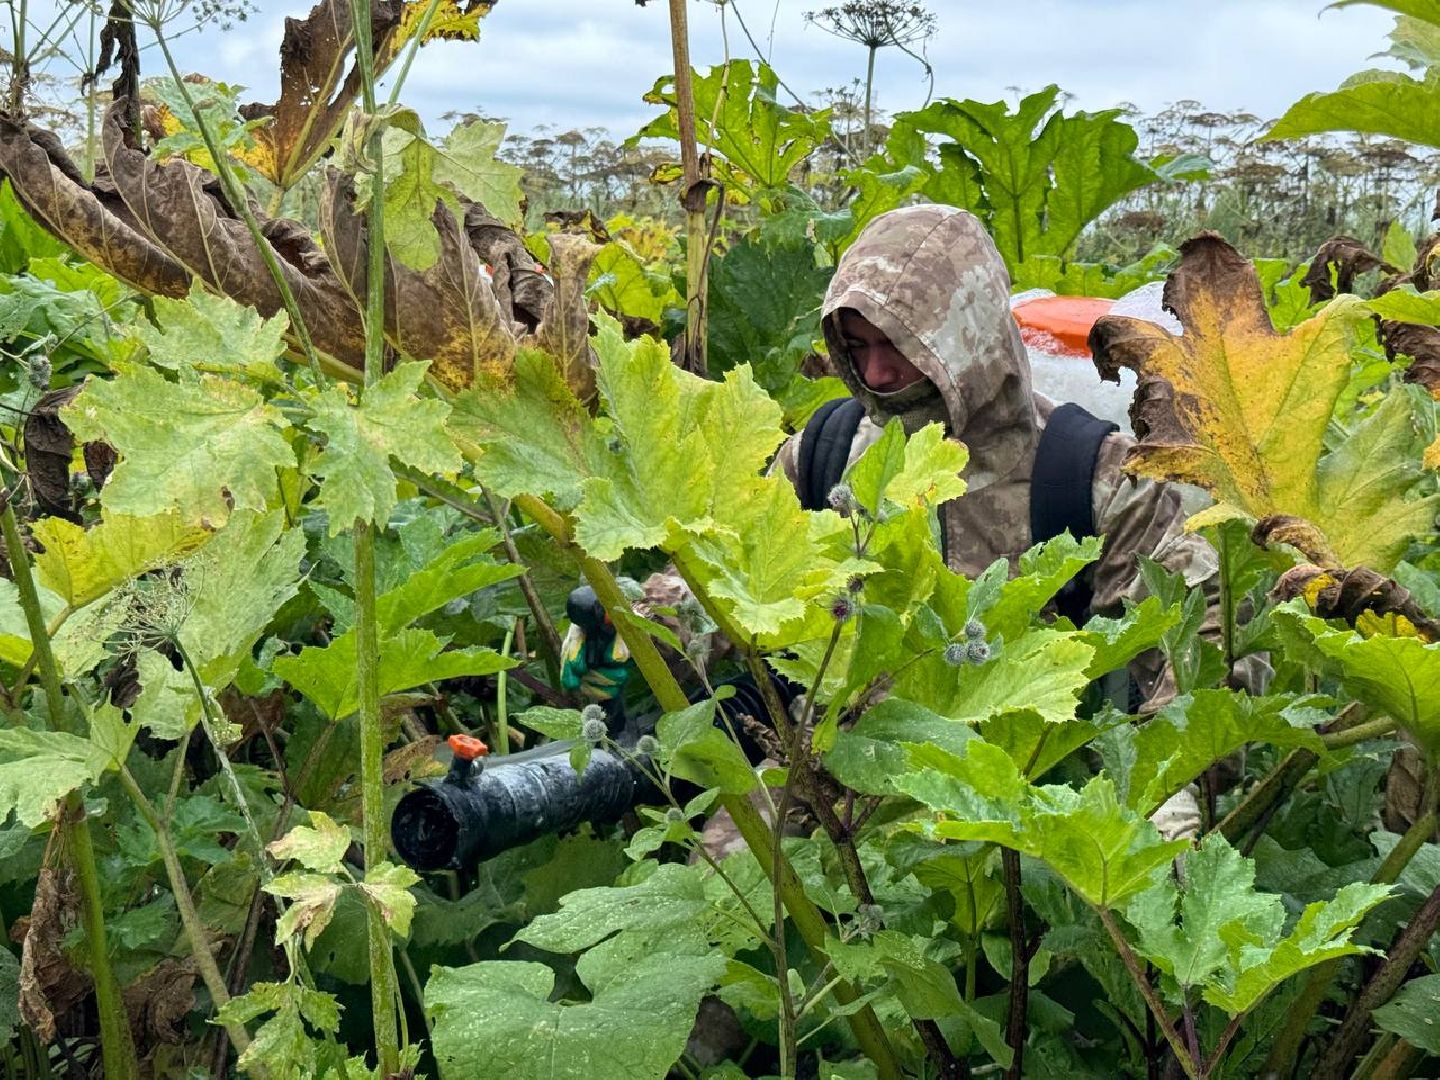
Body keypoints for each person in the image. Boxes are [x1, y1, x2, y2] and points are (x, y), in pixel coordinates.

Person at [563, 204, 1236, 836]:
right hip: (819, 798)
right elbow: (739, 593)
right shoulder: (821, 458)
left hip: (1018, 819)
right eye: (856, 346)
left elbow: (1196, 686)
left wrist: (1164, 818)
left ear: (967, 336)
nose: (879, 372)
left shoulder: (1094, 481)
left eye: (901, 344)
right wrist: (641, 634)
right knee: (720, 930)